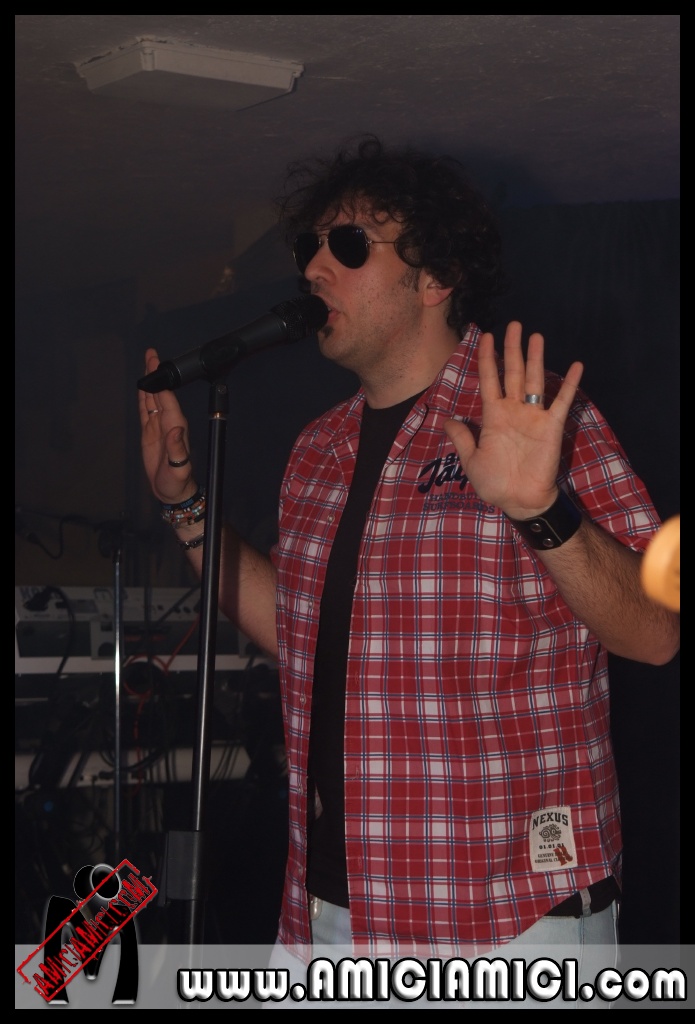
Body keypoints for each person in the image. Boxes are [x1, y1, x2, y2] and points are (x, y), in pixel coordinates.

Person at [138, 135, 679, 1006]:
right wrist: (186, 507)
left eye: (348, 246)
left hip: (503, 921)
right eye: (309, 246)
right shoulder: (316, 450)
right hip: (331, 915)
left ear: (437, 277)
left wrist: (538, 508)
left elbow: (654, 633)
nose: (314, 267)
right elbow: (297, 633)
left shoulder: (531, 414)